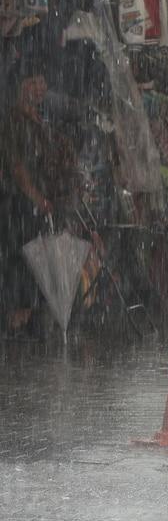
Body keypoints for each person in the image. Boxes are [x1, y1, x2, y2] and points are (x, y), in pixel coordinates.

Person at [0, 63, 78, 336]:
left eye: (43, 82)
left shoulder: (39, 119)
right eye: (35, 81)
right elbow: (17, 167)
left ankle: (31, 313)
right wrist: (36, 197)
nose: (41, 88)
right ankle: (18, 314)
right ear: (22, 86)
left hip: (40, 201)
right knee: (21, 256)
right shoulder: (13, 120)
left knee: (37, 255)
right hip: (19, 202)